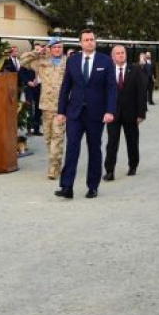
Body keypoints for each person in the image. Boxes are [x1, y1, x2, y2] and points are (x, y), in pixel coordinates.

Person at [54, 29, 117, 200]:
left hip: (96, 114)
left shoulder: (105, 61)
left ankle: (93, 186)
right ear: (80, 43)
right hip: (74, 113)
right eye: (86, 40)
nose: (90, 42)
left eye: (92, 39)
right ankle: (67, 187)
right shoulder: (72, 60)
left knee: (94, 149)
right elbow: (65, 87)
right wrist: (61, 111)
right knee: (72, 149)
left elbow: (111, 88)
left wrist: (110, 110)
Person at [20, 38, 67, 179]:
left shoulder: (68, 63)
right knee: (48, 138)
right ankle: (57, 163)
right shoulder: (42, 62)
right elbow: (23, 61)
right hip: (46, 107)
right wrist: (37, 52)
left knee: (57, 137)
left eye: (59, 47)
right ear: (50, 49)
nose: (57, 49)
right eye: (54, 47)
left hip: (61, 107)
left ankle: (53, 168)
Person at [104, 45, 147, 181]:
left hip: (131, 114)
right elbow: (104, 92)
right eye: (117, 53)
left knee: (132, 141)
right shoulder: (108, 71)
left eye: (123, 53)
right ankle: (109, 171)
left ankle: (133, 166)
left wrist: (141, 113)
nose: (121, 55)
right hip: (113, 114)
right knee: (112, 143)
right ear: (112, 56)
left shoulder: (135, 70)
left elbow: (142, 92)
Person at [19, 58, 42, 136]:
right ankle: (29, 129)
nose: (40, 53)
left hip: (40, 87)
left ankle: (36, 130)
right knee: (30, 109)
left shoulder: (43, 61)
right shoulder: (27, 61)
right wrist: (28, 82)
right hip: (29, 88)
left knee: (39, 109)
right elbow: (21, 73)